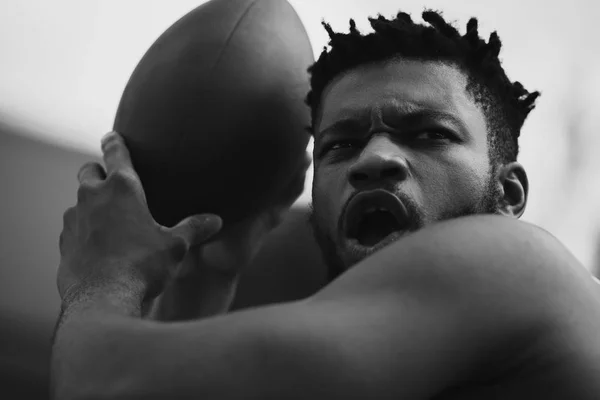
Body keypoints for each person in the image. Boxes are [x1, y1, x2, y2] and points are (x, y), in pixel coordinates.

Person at [51, 10, 600, 400]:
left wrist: (102, 279)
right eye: (341, 145)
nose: (374, 158)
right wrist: (209, 275)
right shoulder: (417, 364)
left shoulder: (513, 263)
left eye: (429, 134)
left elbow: (103, 384)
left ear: (508, 195)